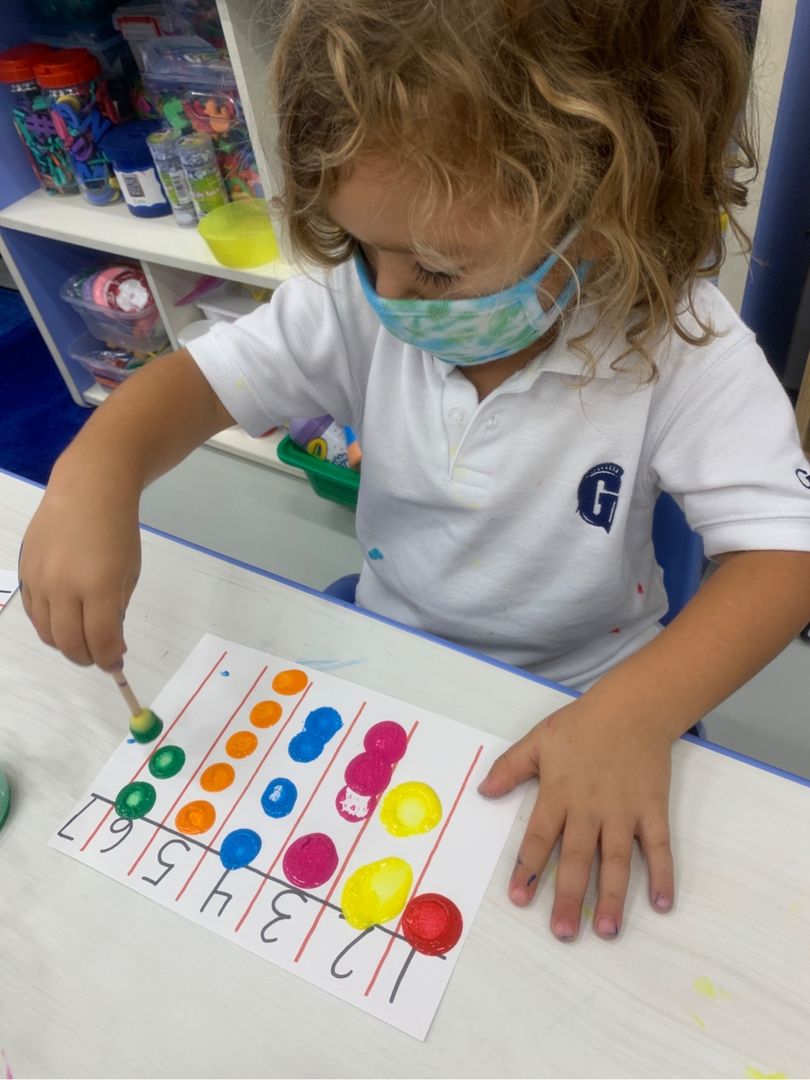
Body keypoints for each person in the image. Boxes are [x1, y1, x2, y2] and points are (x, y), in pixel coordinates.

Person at [20, 0, 810, 943]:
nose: (388, 295)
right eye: (363, 249)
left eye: (436, 270)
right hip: (395, 657)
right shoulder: (360, 306)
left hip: (593, 695)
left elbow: (784, 558)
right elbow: (196, 384)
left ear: (600, 214)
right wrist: (93, 475)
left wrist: (635, 714)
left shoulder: (680, 345)